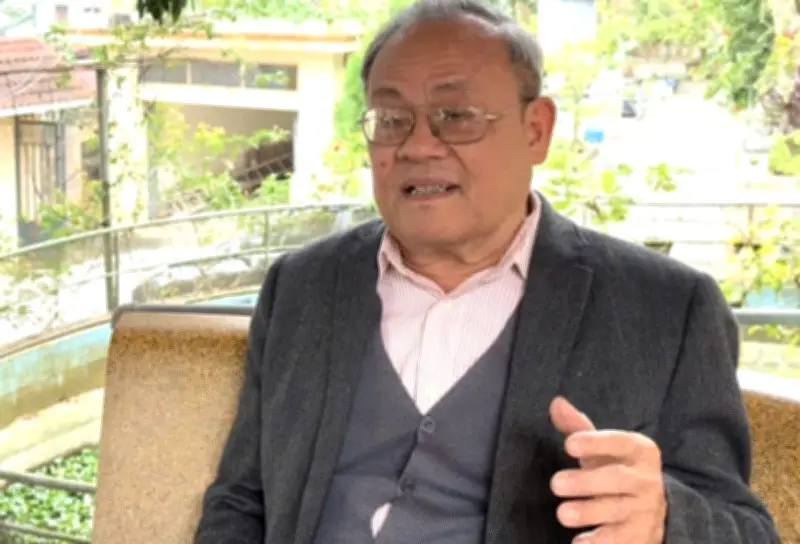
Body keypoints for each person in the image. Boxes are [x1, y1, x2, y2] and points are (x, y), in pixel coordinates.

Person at [195, 1, 779, 543]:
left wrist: (665, 517)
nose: (418, 146)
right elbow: (242, 499)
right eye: (392, 119)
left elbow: (745, 528)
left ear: (536, 130)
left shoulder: (665, 309)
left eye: (456, 116)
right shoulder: (302, 287)